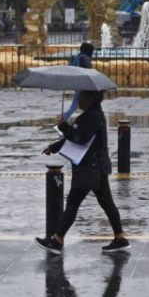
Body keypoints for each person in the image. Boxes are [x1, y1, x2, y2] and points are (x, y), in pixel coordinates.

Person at [36, 90, 128, 255]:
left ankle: (57, 240)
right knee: (106, 203)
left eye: (80, 98)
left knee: (73, 203)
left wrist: (64, 126)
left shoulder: (92, 116)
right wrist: (55, 146)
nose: (77, 101)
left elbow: (80, 138)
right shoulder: (93, 114)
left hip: (90, 168)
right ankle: (120, 238)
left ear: (90, 99)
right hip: (96, 167)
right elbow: (74, 138)